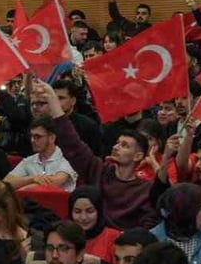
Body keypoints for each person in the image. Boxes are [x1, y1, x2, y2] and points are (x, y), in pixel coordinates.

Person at [36, 80, 162, 229]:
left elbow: (149, 227)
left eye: (124, 145)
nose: (116, 147)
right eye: (117, 143)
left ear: (138, 156)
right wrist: (54, 106)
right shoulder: (99, 171)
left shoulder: (145, 190)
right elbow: (74, 145)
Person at [4, 116, 77, 192]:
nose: (32, 140)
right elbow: (6, 183)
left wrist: (22, 191)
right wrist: (32, 178)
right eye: (31, 136)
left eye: (37, 136)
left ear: (52, 138)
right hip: (32, 199)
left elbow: (53, 182)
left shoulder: (68, 157)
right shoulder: (29, 160)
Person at [69, 186, 122, 264]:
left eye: (90, 211)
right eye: (77, 211)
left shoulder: (113, 237)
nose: (83, 217)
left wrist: (98, 263)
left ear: (99, 211)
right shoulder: (64, 236)